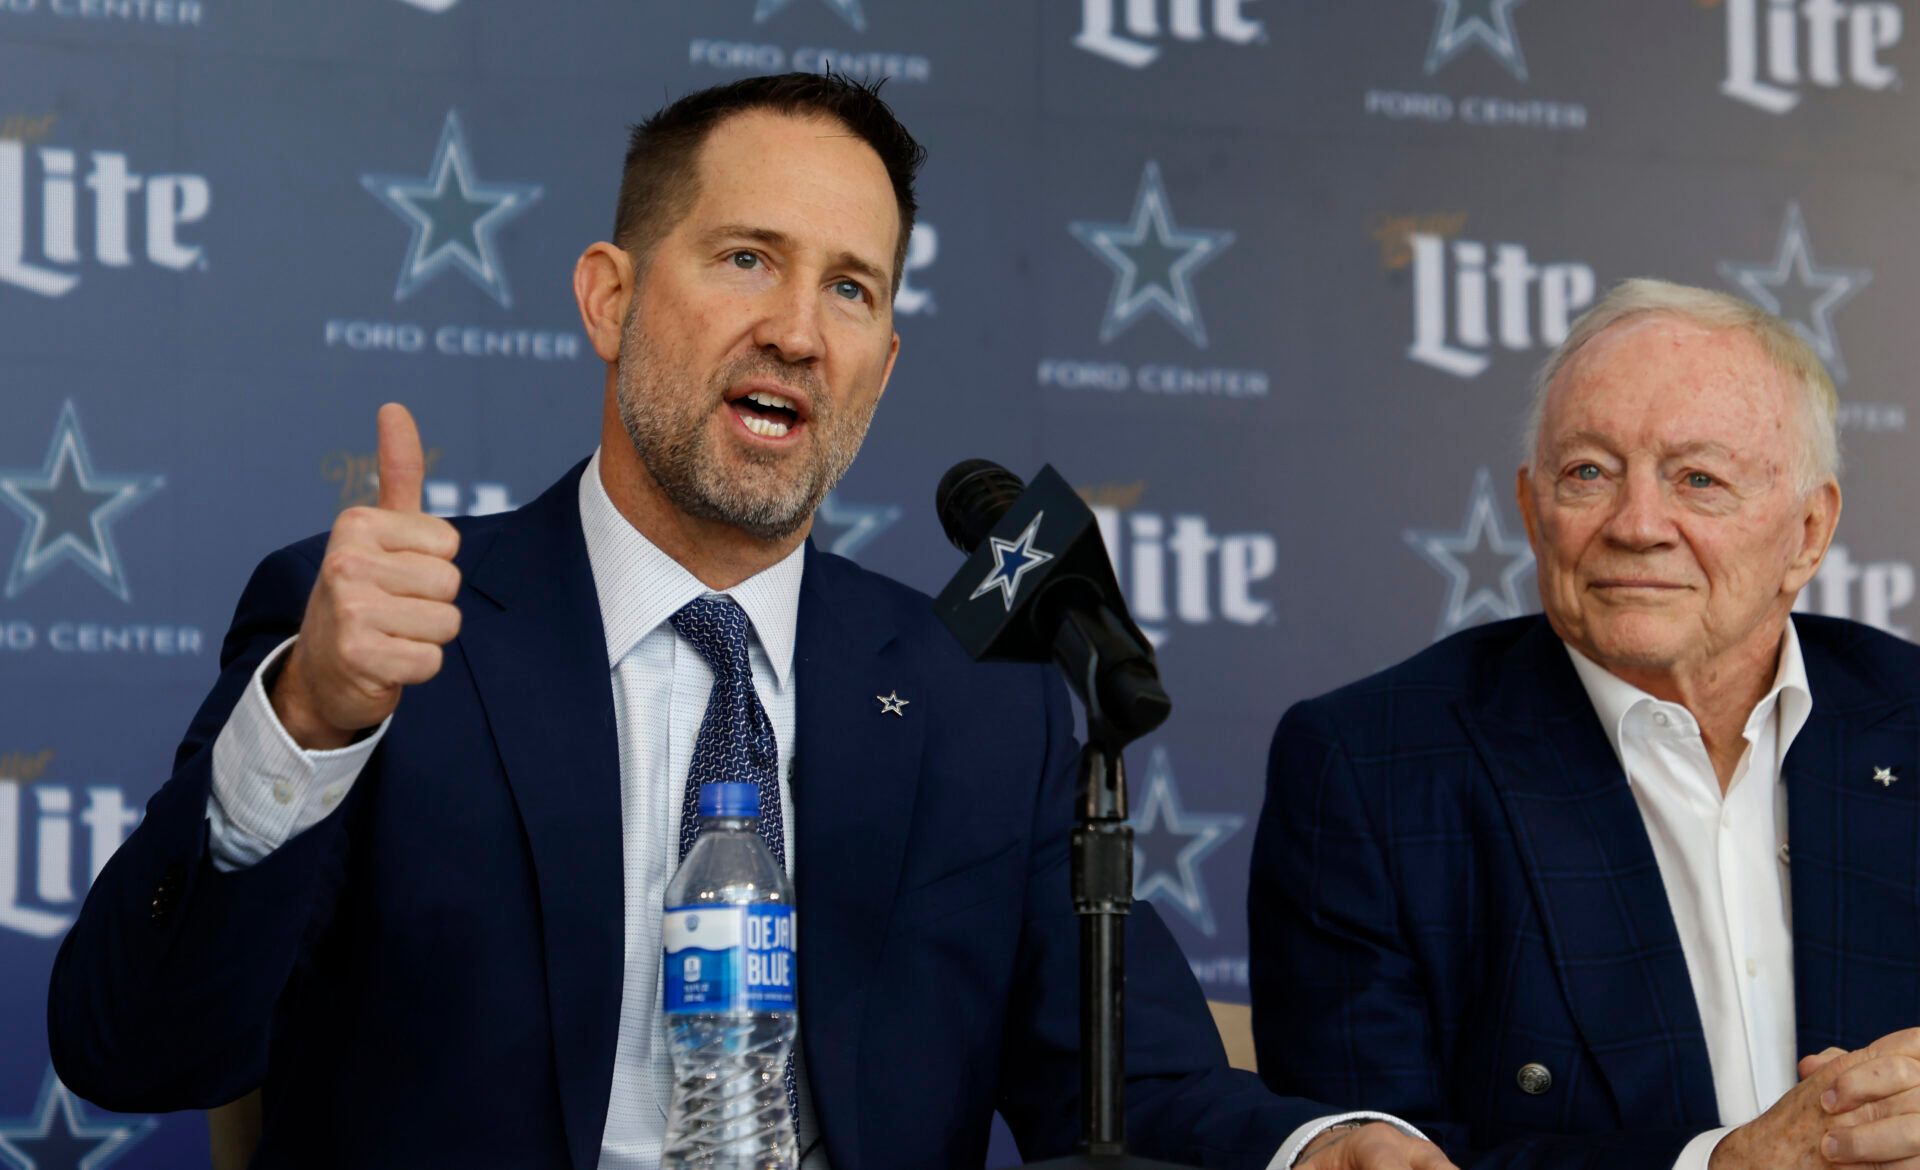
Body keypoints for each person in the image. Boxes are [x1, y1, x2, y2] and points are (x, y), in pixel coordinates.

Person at [49, 74, 1449, 1170]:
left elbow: (1128, 1072)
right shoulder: (385, 627)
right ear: (610, 298)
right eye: (745, 259)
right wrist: (311, 719)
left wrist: (1316, 1140)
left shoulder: (986, 700)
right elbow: (134, 1051)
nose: (797, 327)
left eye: (851, 286)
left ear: (882, 367)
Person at [1249, 278, 1920, 1170]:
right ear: (1532, 512)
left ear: (1807, 530)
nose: (1638, 525)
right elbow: (1370, 1157)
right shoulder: (1370, 770)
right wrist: (1724, 1167)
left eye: (1699, 479)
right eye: (1589, 473)